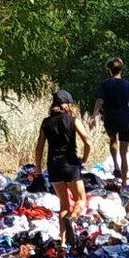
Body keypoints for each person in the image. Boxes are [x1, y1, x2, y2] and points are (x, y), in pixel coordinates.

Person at [34, 89, 94, 246]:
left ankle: (63, 243)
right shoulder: (73, 120)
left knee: (64, 204)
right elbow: (87, 142)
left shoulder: (46, 123)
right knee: (81, 200)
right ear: (66, 105)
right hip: (71, 165)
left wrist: (38, 169)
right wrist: (84, 159)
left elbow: (39, 148)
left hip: (53, 167)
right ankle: (72, 219)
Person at [95, 57, 129, 181]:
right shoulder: (127, 85)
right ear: (121, 70)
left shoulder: (105, 85)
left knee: (112, 140)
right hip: (125, 119)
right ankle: (124, 182)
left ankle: (116, 165)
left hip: (110, 118)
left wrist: (94, 115)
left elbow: (100, 100)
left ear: (110, 70)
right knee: (124, 152)